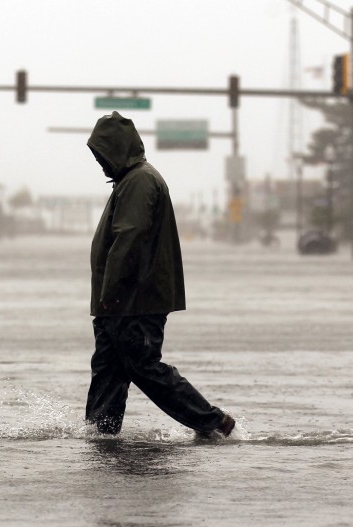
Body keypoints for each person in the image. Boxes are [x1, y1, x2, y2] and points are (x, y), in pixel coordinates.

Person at [84, 111, 235, 439]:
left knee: (142, 365)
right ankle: (100, 434)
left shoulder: (139, 181)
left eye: (102, 154)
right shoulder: (131, 180)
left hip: (133, 301)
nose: (100, 162)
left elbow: (129, 239)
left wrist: (110, 295)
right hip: (121, 302)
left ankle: (213, 422)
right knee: (109, 370)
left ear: (117, 150)